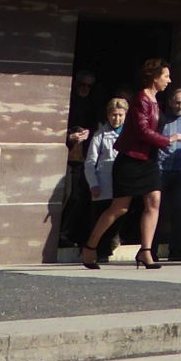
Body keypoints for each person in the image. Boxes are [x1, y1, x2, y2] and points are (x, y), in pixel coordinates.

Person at [81, 58, 181, 270]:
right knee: (119, 208)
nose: (169, 80)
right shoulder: (140, 100)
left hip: (149, 160)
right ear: (154, 78)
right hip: (131, 160)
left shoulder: (155, 100)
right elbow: (142, 131)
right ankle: (90, 247)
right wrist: (167, 140)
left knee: (154, 202)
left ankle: (146, 251)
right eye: (166, 76)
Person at [59, 71, 101, 248]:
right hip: (69, 154)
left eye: (89, 86)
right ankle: (62, 234)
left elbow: (96, 126)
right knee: (70, 195)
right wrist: (71, 135)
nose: (85, 89)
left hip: (84, 155)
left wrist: (89, 133)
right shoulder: (69, 102)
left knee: (80, 197)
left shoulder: (92, 105)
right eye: (82, 85)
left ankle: (71, 234)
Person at [82, 98, 127, 258]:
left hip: (122, 184)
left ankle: (109, 247)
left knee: (118, 218)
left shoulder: (129, 134)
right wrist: (93, 184)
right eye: (114, 115)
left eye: (121, 115)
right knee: (101, 218)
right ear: (108, 115)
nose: (117, 119)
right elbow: (90, 162)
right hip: (104, 183)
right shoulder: (100, 135)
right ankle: (98, 250)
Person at [156, 86, 181, 259]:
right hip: (160, 169)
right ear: (171, 101)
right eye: (177, 102)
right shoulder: (160, 118)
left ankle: (176, 249)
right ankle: (151, 249)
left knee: (180, 210)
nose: (180, 106)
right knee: (155, 210)